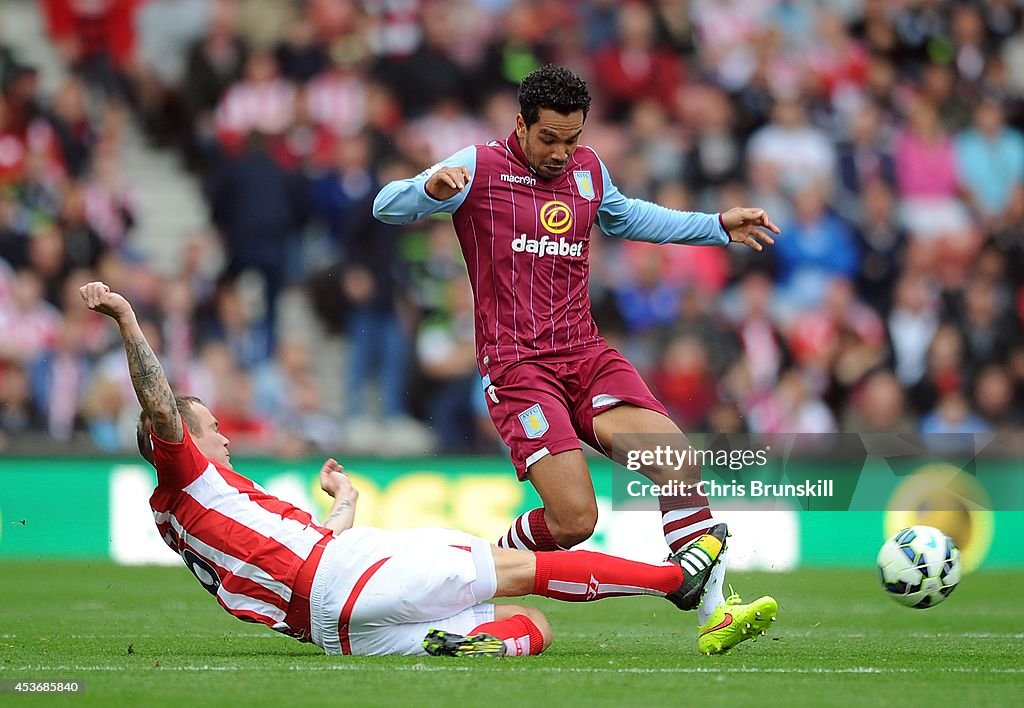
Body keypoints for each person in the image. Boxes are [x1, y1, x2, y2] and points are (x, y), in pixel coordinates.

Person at [79, 280, 775, 657]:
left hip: (333, 628)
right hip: (338, 582)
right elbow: (162, 407)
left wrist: (344, 500)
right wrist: (129, 320)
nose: (222, 439)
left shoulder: (187, 512)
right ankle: (676, 583)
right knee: (518, 571)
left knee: (532, 629)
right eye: (212, 430)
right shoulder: (186, 473)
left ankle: (456, 647)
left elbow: (303, 554)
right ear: (177, 439)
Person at [373, 64, 779, 653]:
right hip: (518, 368)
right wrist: (427, 191)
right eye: (549, 138)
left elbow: (630, 215)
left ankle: (715, 614)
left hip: (585, 354)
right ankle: (487, 575)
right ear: (520, 124)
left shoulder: (588, 170)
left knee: (676, 458)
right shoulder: (478, 167)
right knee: (573, 522)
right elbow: (387, 205)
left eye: (573, 137)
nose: (563, 152)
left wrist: (715, 225)